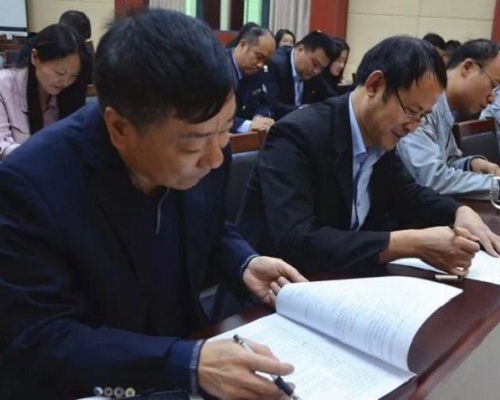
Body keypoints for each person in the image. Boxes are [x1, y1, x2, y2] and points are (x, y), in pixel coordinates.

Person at [0, 10, 306, 400]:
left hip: (188, 350)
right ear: (120, 128)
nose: (215, 158)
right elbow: (38, 338)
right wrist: (184, 363)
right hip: (103, 382)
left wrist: (243, 262)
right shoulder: (32, 183)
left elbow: (210, 227)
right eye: (194, 145)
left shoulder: (209, 141)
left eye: (225, 130)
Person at [236, 36, 500, 277]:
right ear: (374, 85)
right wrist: (409, 243)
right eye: (411, 111)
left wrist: (459, 212)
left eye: (422, 116)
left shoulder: (380, 134)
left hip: (344, 279)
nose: (413, 126)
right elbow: (298, 240)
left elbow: (407, 192)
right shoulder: (297, 135)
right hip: (277, 291)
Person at [397, 39, 500, 198]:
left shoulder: (448, 109)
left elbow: (446, 163)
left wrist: (470, 164)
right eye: (493, 85)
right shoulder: (424, 104)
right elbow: (430, 178)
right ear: (468, 67)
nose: (492, 99)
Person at [0, 23, 90, 160]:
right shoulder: (4, 86)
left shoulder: (69, 92)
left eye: (73, 76)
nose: (65, 82)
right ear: (35, 57)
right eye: (60, 72)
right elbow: (2, 146)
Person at [264, 30, 337, 120]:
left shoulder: (314, 71)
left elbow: (331, 98)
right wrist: (304, 111)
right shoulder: (275, 65)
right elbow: (272, 106)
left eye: (321, 68)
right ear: (300, 50)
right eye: (315, 64)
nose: (316, 71)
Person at [229, 26, 276, 133]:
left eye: (266, 62)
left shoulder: (257, 72)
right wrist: (247, 125)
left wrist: (259, 117)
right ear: (243, 45)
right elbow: (211, 116)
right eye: (258, 57)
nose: (260, 65)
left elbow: (265, 102)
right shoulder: (216, 67)